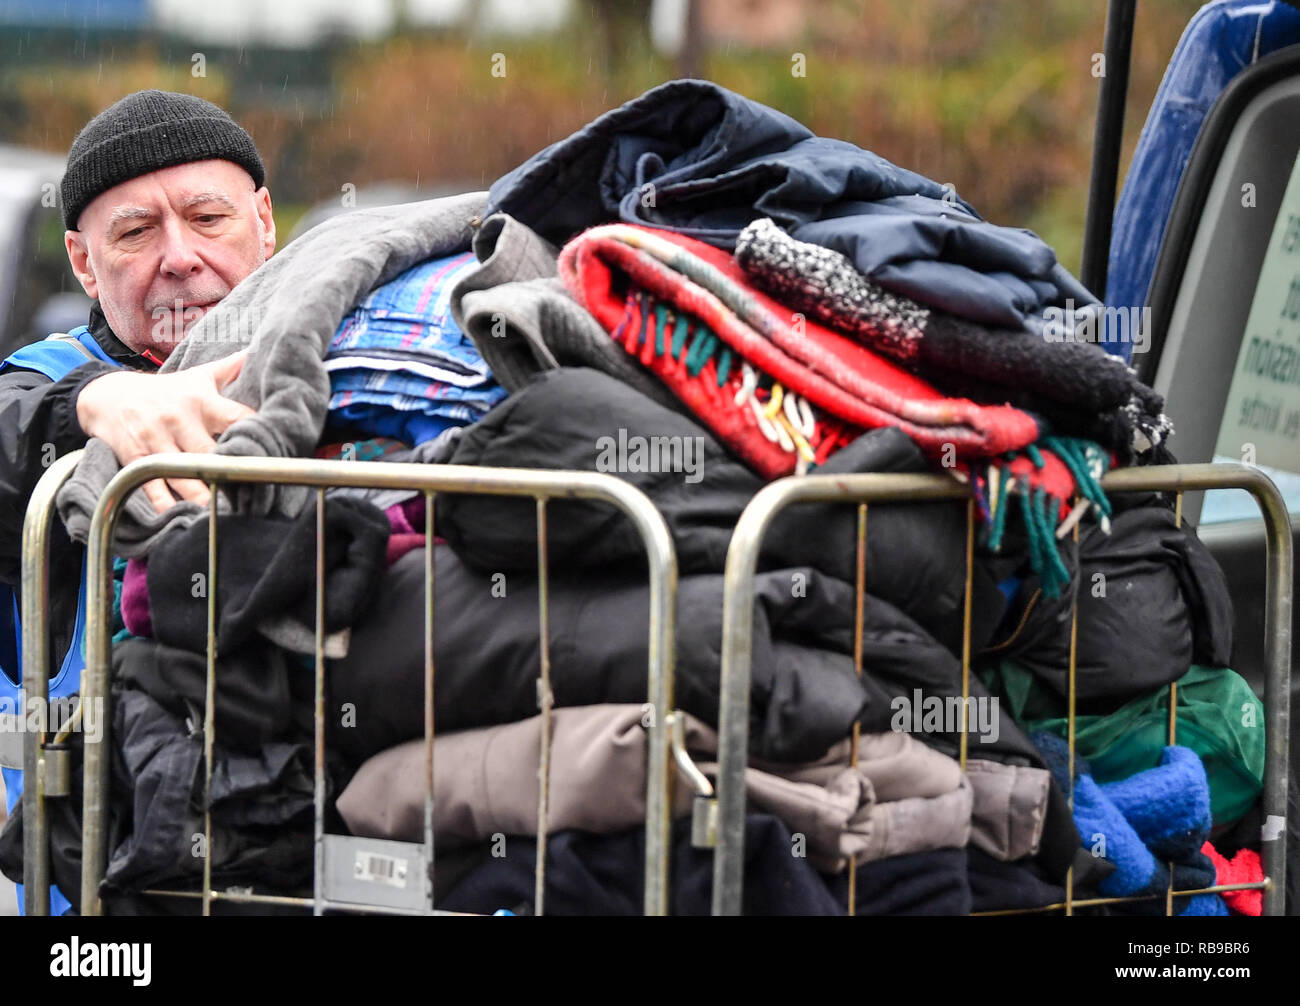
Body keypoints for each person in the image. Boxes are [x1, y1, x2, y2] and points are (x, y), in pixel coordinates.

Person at [0, 89, 275, 914]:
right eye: (136, 232)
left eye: (207, 217)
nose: (181, 256)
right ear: (84, 263)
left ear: (265, 221)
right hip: (90, 894)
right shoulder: (48, 377)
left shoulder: (365, 362)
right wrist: (93, 406)